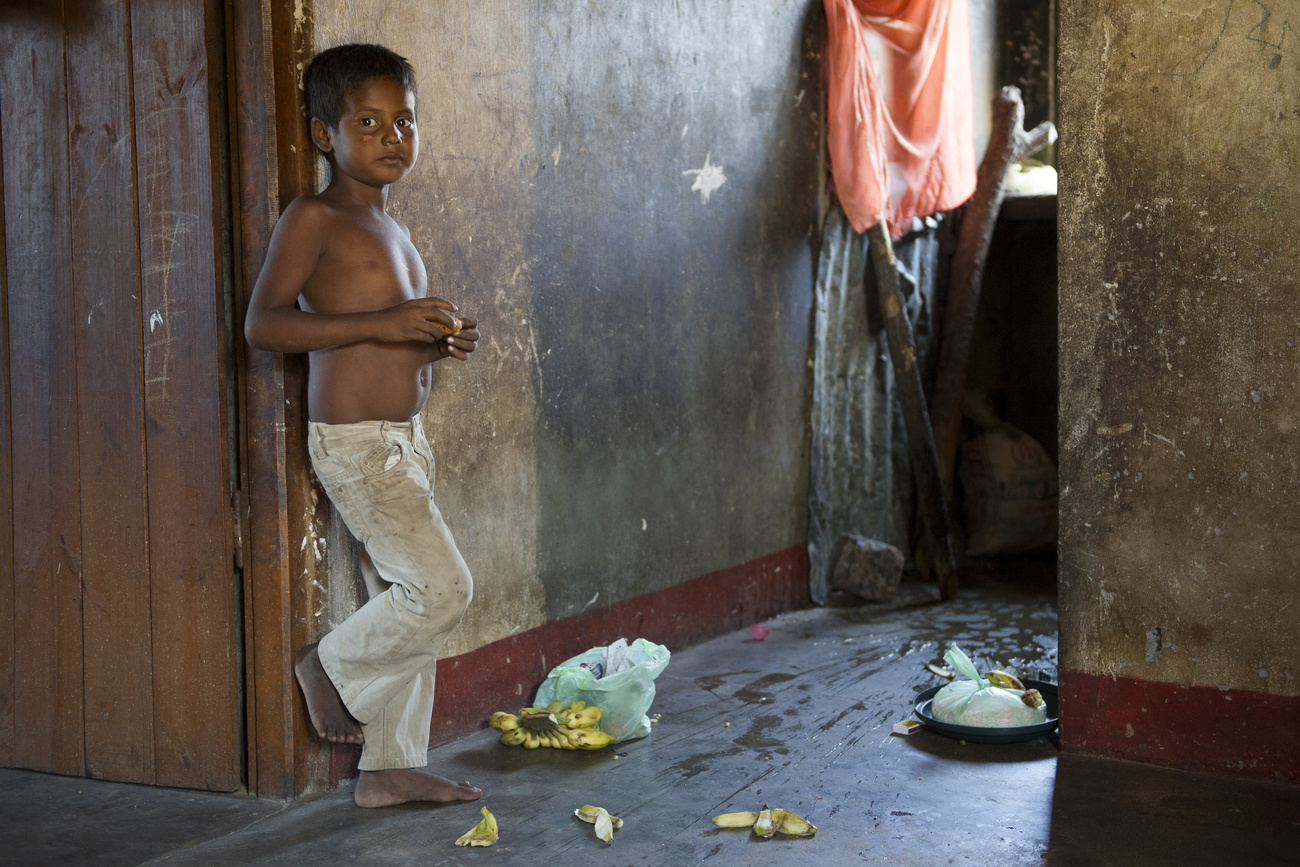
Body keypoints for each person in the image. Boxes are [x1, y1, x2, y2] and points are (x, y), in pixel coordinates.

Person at [244, 43, 482, 808]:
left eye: (405, 122)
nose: (393, 138)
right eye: (371, 122)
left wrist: (436, 342)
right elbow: (264, 326)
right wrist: (387, 320)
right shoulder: (314, 218)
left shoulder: (396, 231)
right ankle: (332, 669)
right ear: (326, 135)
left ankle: (388, 768)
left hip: (407, 442)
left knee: (408, 592)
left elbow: (387, 335)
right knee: (441, 588)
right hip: (359, 444)